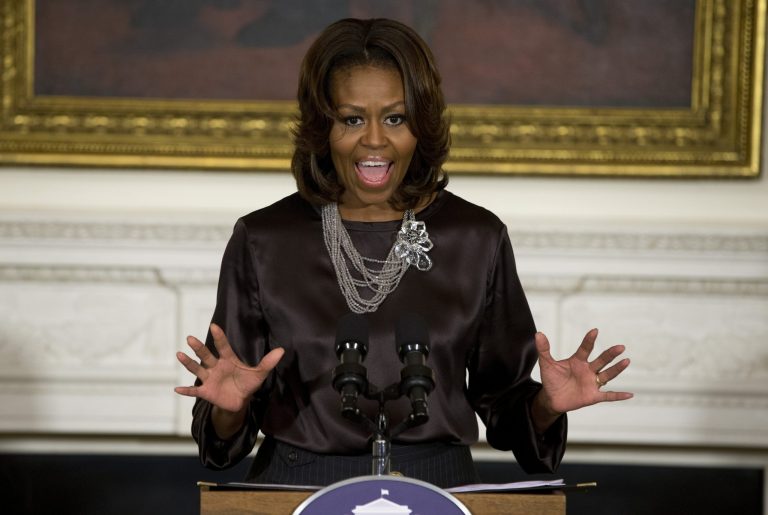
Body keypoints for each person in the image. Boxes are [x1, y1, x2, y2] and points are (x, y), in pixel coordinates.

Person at [175, 17, 632, 489]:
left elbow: (506, 407)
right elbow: (223, 436)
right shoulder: (265, 238)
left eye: (395, 117)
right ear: (321, 127)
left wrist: (546, 405)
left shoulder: (474, 237)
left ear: (422, 124)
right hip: (298, 487)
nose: (374, 140)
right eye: (352, 119)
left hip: (438, 488)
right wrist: (230, 411)